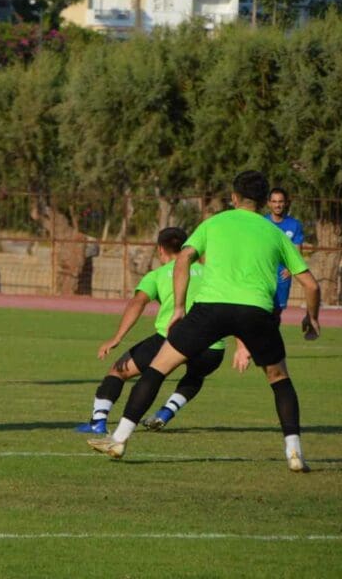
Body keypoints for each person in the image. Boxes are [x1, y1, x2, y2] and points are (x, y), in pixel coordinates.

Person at [88, 170, 321, 473]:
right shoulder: (275, 233)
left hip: (211, 310)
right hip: (256, 312)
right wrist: (311, 317)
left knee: (157, 368)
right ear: (265, 201)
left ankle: (119, 439)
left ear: (234, 197)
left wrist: (178, 307)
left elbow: (183, 259)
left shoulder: (214, 223)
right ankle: (294, 453)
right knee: (280, 380)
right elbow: (311, 285)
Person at [76, 227, 232, 436]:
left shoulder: (157, 275)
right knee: (196, 375)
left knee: (119, 371)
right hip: (213, 345)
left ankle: (98, 422)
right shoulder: (209, 273)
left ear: (160, 249)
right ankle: (166, 412)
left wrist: (117, 337)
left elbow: (138, 302)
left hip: (172, 339)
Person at [265, 187, 304, 318]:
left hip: (282, 275)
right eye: (274, 201)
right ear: (269, 203)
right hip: (264, 273)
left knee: (276, 313)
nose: (277, 205)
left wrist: (290, 268)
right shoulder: (262, 222)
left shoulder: (295, 225)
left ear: (286, 203)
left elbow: (297, 250)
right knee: (261, 310)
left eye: (280, 201)